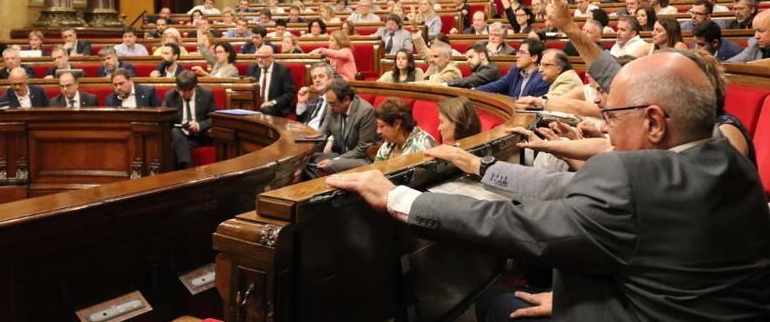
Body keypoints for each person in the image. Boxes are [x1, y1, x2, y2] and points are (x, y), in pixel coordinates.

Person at [328, 50, 770, 322]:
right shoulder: (730, 161)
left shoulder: (633, 180)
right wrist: (482, 167)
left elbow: (517, 224)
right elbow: (561, 193)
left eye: (612, 118)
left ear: (654, 122)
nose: (607, 132)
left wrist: (398, 197)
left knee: (496, 307)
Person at [307, 79, 378, 177]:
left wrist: (336, 160)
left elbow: (362, 148)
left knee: (329, 165)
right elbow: (321, 134)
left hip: (360, 159)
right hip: (340, 154)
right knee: (308, 159)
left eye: (332, 103)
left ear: (346, 100)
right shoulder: (332, 106)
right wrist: (306, 150)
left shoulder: (366, 112)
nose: (330, 107)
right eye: (329, 103)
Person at [163, 70, 216, 169]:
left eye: (186, 91)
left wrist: (199, 125)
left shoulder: (206, 94)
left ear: (194, 88)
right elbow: (163, 119)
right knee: (175, 131)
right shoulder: (170, 96)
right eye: (180, 90)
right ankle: (187, 168)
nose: (182, 94)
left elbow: (214, 119)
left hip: (197, 137)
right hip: (177, 135)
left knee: (174, 147)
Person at [476, 39, 550, 97]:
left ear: (534, 57)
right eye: (518, 52)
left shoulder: (543, 78)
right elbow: (495, 86)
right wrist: (473, 91)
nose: (517, 56)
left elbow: (534, 108)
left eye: (522, 52)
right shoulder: (515, 71)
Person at [246, 45, 295, 116]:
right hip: (255, 105)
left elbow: (289, 94)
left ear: (272, 57)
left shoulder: (283, 71)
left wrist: (273, 102)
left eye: (263, 57)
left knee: (266, 109)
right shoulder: (252, 70)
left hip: (275, 107)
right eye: (258, 57)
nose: (259, 60)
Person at [296, 63, 335, 130]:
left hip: (320, 137)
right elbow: (301, 121)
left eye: (321, 76)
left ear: (330, 79)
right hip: (305, 134)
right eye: (314, 77)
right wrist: (301, 103)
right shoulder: (315, 100)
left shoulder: (336, 100)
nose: (317, 80)